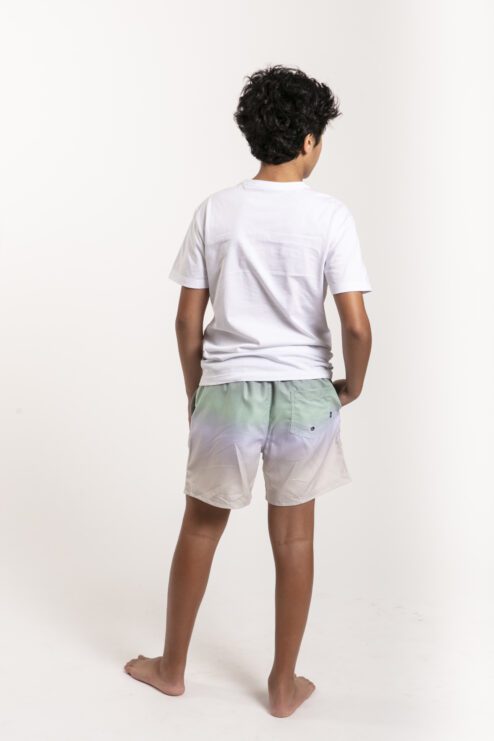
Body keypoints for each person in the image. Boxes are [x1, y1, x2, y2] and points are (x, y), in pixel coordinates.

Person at [124, 64, 373, 718]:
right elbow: (355, 325)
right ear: (310, 140)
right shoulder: (330, 216)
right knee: (294, 540)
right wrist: (352, 384)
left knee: (201, 528)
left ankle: (171, 668)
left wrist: (195, 392)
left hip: (227, 390)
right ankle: (283, 686)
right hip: (306, 392)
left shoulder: (216, 210)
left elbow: (186, 321)